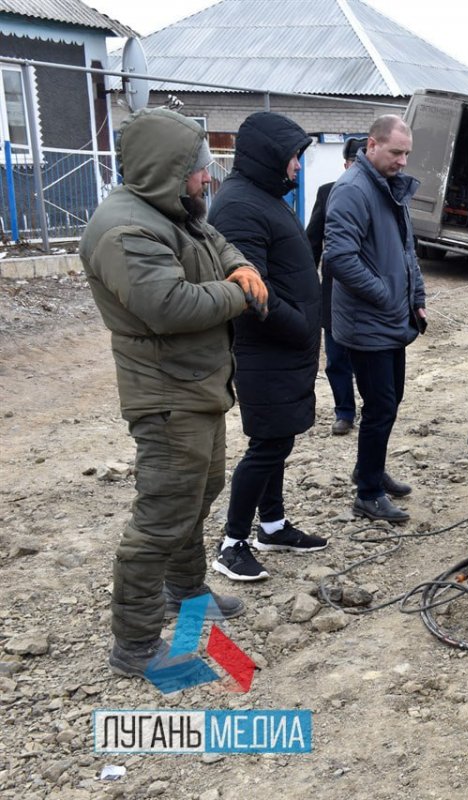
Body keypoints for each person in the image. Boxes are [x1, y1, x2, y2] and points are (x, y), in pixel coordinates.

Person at [80, 108, 266, 679]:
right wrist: (239, 295)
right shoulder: (125, 229)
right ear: (168, 169)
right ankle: (135, 645)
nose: (207, 178)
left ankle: (185, 594)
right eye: (200, 168)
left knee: (199, 490)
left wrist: (239, 269)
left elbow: (220, 244)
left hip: (197, 386)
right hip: (165, 395)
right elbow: (169, 306)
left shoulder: (176, 212)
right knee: (161, 517)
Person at [207, 111, 328, 582]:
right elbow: (249, 288)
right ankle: (232, 544)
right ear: (271, 157)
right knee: (267, 445)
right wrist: (298, 323)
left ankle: (272, 525)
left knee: (279, 440)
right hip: (268, 350)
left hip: (286, 349)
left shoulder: (264, 197)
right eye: (294, 157)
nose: (298, 167)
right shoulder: (239, 206)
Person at [323, 115, 425, 523]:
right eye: (396, 152)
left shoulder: (387, 187)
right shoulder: (353, 190)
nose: (403, 161)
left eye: (407, 154)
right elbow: (340, 258)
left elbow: (405, 250)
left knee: (390, 400)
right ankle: (366, 493)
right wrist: (385, 294)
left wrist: (415, 295)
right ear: (372, 145)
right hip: (367, 323)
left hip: (391, 319)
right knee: (381, 405)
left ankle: (371, 468)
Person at [307, 136, 366, 437]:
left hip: (371, 291)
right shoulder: (328, 193)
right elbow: (312, 243)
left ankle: (373, 408)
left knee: (370, 355)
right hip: (334, 290)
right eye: (355, 162)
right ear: (346, 164)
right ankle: (345, 411)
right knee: (337, 358)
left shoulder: (384, 195)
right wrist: (307, 288)